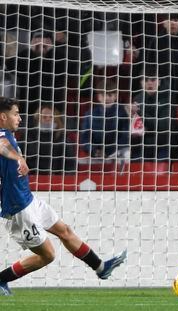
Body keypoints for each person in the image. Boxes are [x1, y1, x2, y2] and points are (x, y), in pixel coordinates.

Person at [0, 97, 127, 296]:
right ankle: (1, 279)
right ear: (3, 116)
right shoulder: (1, 136)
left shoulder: (9, 133)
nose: (20, 118)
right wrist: (19, 158)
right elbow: (2, 146)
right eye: (16, 113)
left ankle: (101, 267)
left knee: (65, 230)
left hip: (29, 199)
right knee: (48, 255)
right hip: (18, 209)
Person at [80, 79, 130, 159]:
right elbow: (84, 138)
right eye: (103, 95)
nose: (106, 98)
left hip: (118, 152)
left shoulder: (123, 112)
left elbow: (125, 136)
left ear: (116, 96)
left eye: (110, 95)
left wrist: (109, 151)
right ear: (98, 97)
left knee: (127, 153)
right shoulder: (90, 114)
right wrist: (93, 150)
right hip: (97, 154)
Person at [23, 103, 76, 174]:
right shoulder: (29, 135)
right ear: (38, 118)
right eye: (44, 117)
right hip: (32, 176)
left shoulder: (62, 137)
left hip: (56, 178)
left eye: (50, 117)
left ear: (55, 119)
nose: (48, 119)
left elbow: (70, 163)